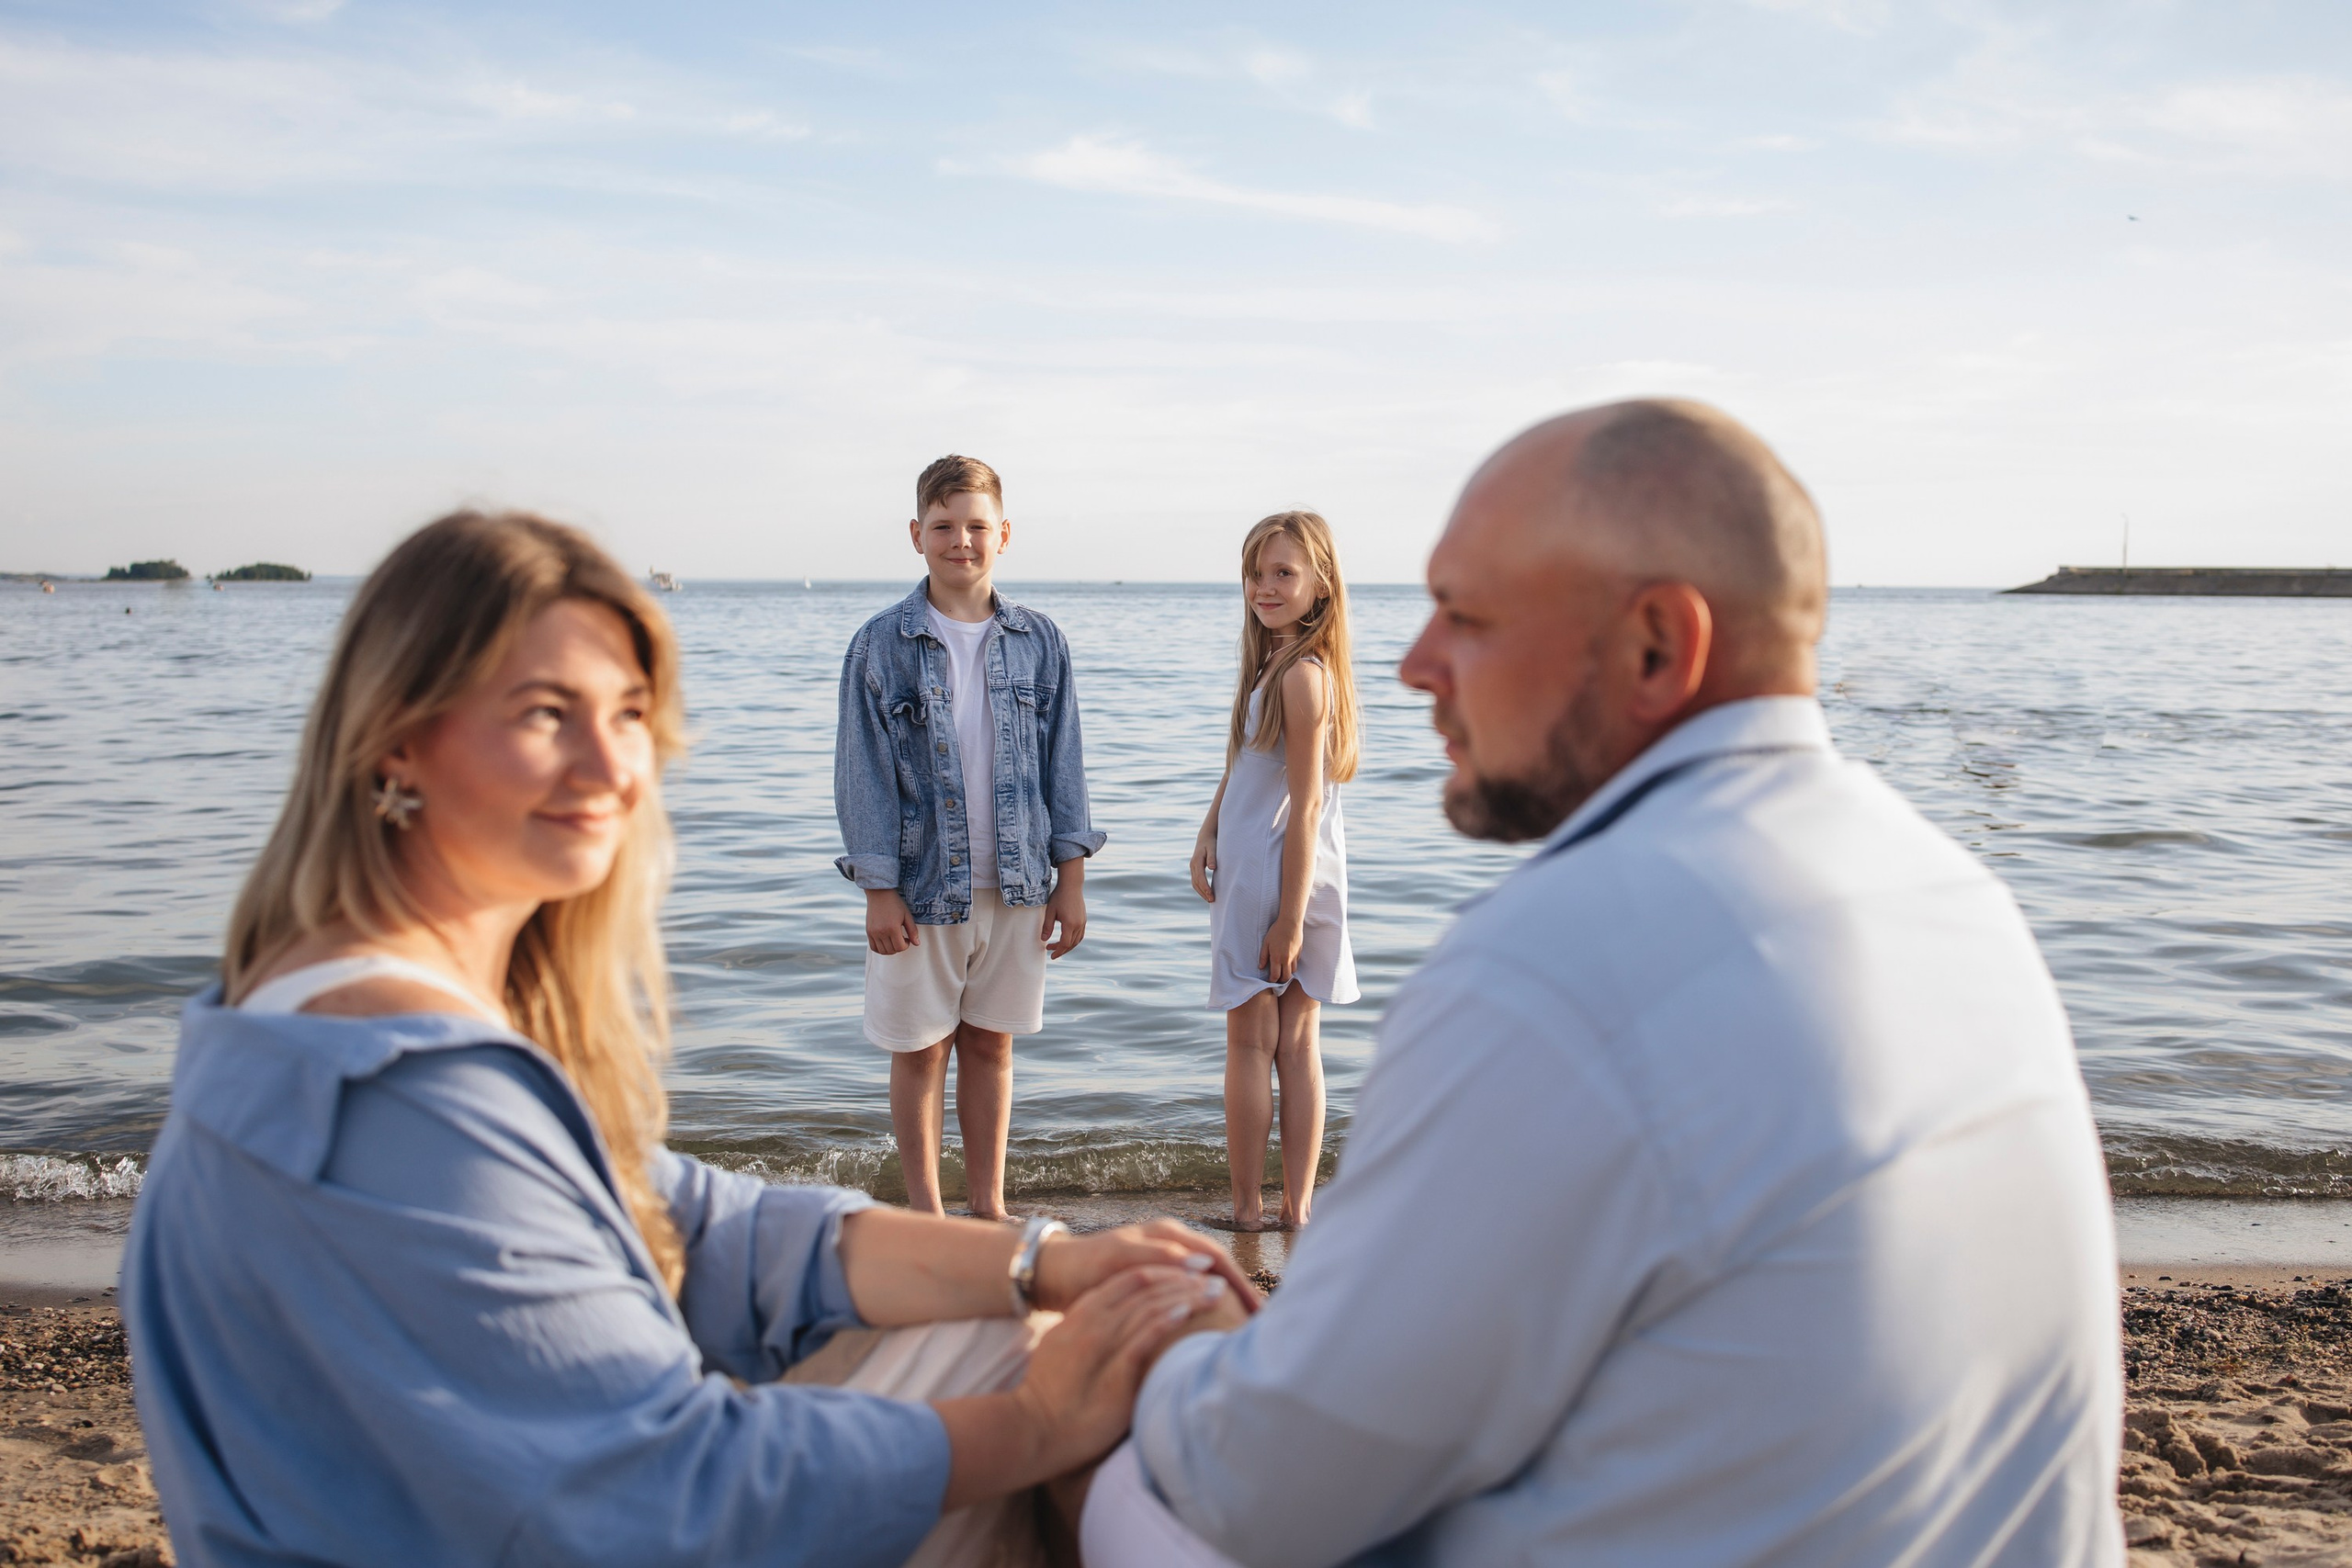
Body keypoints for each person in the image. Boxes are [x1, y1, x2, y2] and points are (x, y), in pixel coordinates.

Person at [1087, 400, 2125, 1564]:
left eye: (1466, 615)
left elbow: (1263, 1478)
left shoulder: (1551, 970)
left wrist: (1154, 1351)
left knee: (1109, 1483)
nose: (1418, 664)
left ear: (1654, 646)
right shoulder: (1959, 902)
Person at [121, 511, 1251, 1568]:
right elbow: (679, 1496)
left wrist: (1047, 1258)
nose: (614, 769)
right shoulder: (397, 1088)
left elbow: (704, 1231)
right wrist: (1039, 1421)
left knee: (1107, 1303)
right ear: (395, 743)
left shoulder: (314, 1000)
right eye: (542, 713)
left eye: (623, 714)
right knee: (1122, 1352)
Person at [836, 455, 1103, 1221]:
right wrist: (878, 888)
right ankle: (927, 1213)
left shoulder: (1039, 641)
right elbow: (863, 774)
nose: (962, 541)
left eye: (977, 526)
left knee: (991, 1045)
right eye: (945, 526)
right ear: (916, 534)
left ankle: (986, 1207)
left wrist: (1072, 878)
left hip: (1018, 881)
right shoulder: (881, 644)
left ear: (1004, 534)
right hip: (920, 888)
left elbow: (1065, 764)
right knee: (919, 1051)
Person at [1189, 511, 1363, 1232]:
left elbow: (1303, 801)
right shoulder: (1279, 665)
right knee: (1295, 1043)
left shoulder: (1301, 678)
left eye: (1284, 573)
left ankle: (1250, 1208)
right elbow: (1251, 767)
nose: (1265, 586)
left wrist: (1288, 917)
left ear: (1321, 584)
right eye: (1257, 573)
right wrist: (1208, 824)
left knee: (1254, 1044)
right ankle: (1296, 1209)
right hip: (1297, 870)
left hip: (1272, 874)